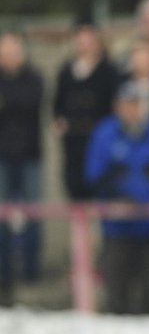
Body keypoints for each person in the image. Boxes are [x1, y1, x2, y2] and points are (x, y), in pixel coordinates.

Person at [83, 82, 149, 314]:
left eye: (136, 104)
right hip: (117, 226)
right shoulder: (105, 133)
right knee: (117, 288)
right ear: (117, 106)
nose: (132, 110)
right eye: (127, 104)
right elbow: (93, 175)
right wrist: (115, 188)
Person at [53, 15, 120, 199]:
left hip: (99, 141)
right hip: (74, 142)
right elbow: (58, 104)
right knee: (76, 192)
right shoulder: (66, 71)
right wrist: (60, 122)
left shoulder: (108, 70)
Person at [0, 31, 45, 304]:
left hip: (29, 156)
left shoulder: (35, 78)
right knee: (2, 217)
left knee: (34, 214)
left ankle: (31, 269)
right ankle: (3, 270)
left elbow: (29, 104)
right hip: (2, 157)